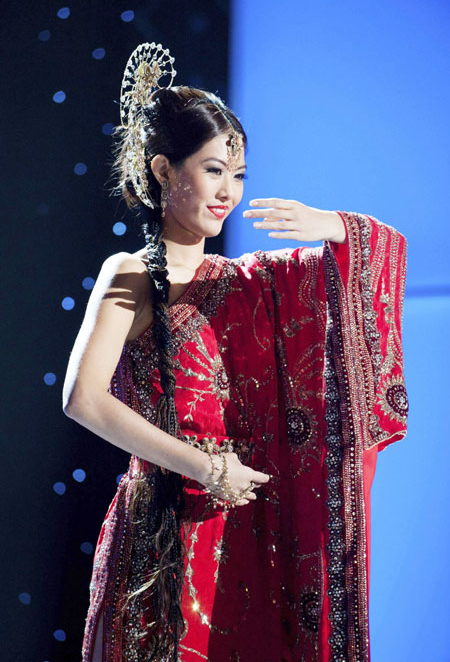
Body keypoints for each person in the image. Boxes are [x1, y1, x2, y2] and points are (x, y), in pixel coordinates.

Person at [62, 43, 408, 662]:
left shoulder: (249, 283)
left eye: (239, 175)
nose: (229, 191)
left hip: (246, 531)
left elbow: (370, 258)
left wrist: (337, 229)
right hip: (163, 529)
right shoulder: (132, 273)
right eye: (214, 169)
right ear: (164, 171)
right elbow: (83, 399)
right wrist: (205, 468)